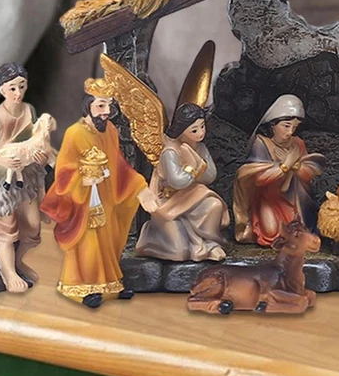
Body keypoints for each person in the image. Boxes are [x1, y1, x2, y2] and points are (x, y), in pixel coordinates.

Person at [40, 78, 149, 308]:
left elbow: (119, 165)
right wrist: (83, 179)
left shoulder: (110, 131)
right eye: (101, 105)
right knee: (88, 245)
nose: (106, 111)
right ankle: (82, 287)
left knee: (106, 241)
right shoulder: (74, 133)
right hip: (83, 200)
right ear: (87, 105)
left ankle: (110, 285)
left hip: (105, 195)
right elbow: (63, 171)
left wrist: (140, 187)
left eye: (109, 105)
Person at [0, 63, 49, 293]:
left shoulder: (29, 111)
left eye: (21, 86)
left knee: (32, 226)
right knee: (6, 225)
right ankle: (7, 271)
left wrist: (40, 156)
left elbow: (37, 142)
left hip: (25, 177)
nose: (18, 92)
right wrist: (3, 161)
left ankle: (17, 261)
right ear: (2, 90)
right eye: (12, 88)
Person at [135, 103, 230, 262]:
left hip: (194, 195)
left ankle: (210, 244)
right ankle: (150, 237)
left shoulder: (200, 147)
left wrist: (199, 165)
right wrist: (195, 169)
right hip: (170, 201)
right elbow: (177, 181)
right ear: (182, 130)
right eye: (194, 130)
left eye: (202, 126)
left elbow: (210, 176)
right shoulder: (170, 151)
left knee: (215, 205)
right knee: (179, 252)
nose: (201, 133)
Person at [232, 95, 324, 246]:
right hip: (269, 198)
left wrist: (297, 167)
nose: (290, 132)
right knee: (270, 232)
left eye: (294, 127)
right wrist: (285, 165)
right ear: (273, 124)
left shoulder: (297, 143)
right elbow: (258, 178)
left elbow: (309, 173)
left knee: (301, 228)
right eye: (286, 126)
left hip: (294, 198)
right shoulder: (262, 143)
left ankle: (297, 238)